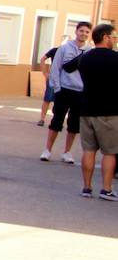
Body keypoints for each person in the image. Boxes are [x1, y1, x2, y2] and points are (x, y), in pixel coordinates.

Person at [61, 23, 118, 200]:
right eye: (114, 37)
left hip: (86, 109)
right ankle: (106, 189)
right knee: (109, 152)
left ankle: (86, 188)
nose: (115, 40)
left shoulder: (85, 57)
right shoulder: (115, 58)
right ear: (106, 37)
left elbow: (68, 67)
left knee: (89, 150)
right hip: (109, 111)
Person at [41, 22, 90, 165]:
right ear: (76, 31)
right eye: (81, 31)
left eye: (87, 32)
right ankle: (47, 150)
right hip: (64, 90)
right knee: (56, 120)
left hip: (80, 92)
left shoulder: (89, 52)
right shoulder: (64, 48)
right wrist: (57, 88)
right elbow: (55, 68)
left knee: (74, 124)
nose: (83, 34)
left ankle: (67, 152)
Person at [37, 46, 58, 126]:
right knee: (47, 99)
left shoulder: (71, 52)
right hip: (52, 78)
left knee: (59, 101)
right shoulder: (55, 50)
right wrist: (45, 73)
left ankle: (56, 120)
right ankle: (42, 119)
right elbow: (42, 59)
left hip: (64, 79)